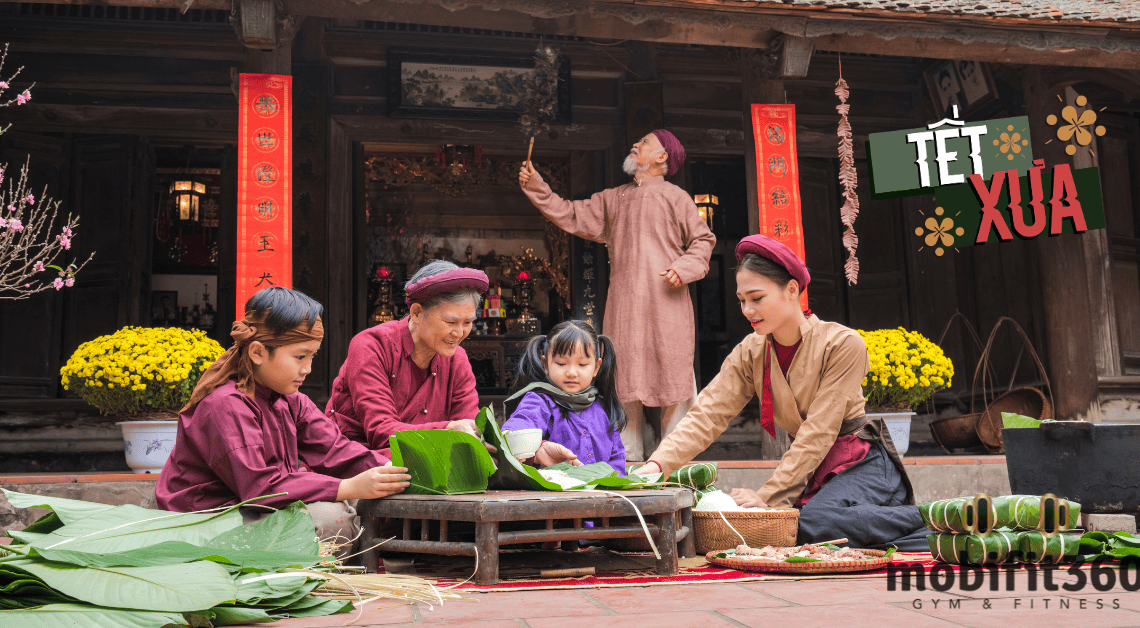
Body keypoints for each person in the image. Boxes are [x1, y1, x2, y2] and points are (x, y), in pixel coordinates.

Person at [632, 235, 929, 550]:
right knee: (794, 525)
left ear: (791, 290)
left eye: (757, 298)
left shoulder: (842, 343)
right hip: (810, 470)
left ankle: (932, 518)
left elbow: (819, 430)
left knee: (813, 521)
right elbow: (708, 413)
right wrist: (656, 465)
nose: (747, 310)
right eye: (741, 299)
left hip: (859, 462)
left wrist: (767, 496)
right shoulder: (751, 351)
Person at [156, 287, 411, 545]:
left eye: (312, 356)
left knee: (366, 495)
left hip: (257, 507)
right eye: (300, 356)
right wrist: (346, 487)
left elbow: (335, 451)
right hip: (208, 518)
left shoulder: (291, 399)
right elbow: (259, 487)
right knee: (332, 520)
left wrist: (389, 470)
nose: (308, 369)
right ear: (257, 352)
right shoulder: (225, 404)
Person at [518, 129, 715, 461]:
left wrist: (684, 268)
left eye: (645, 142)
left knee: (674, 381)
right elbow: (570, 213)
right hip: (624, 307)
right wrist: (537, 186)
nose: (635, 144)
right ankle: (625, 464)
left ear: (662, 157)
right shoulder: (614, 198)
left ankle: (676, 467)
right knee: (623, 382)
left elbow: (703, 241)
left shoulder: (677, 197)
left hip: (667, 304)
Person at [326, 260, 488, 454]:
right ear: (417, 312)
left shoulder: (457, 360)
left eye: (468, 322)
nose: (459, 332)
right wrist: (447, 430)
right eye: (451, 322)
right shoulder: (371, 346)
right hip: (358, 460)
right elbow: (382, 433)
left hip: (427, 461)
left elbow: (468, 425)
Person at [502, 320, 627, 475]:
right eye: (561, 364)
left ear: (596, 367)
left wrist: (613, 482)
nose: (571, 372)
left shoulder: (603, 408)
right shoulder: (538, 401)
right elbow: (520, 424)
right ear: (545, 364)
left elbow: (617, 459)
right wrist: (511, 436)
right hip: (553, 495)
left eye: (582, 364)